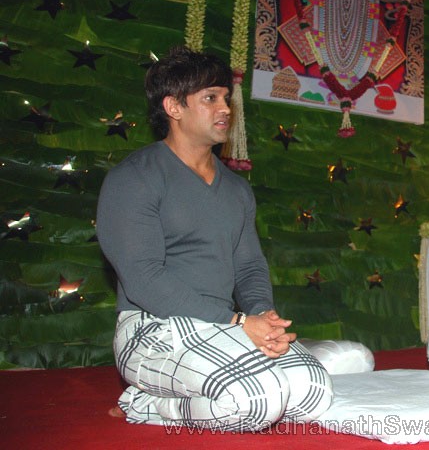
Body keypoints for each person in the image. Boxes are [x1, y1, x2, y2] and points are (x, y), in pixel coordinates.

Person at [96, 46, 332, 431]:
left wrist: (261, 317)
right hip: (152, 329)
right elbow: (143, 278)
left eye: (225, 97)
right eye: (210, 98)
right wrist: (237, 322)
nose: (224, 108)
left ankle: (186, 394)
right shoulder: (134, 177)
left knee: (313, 392)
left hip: (224, 326)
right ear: (174, 107)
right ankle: (149, 403)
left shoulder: (237, 189)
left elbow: (250, 266)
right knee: (259, 400)